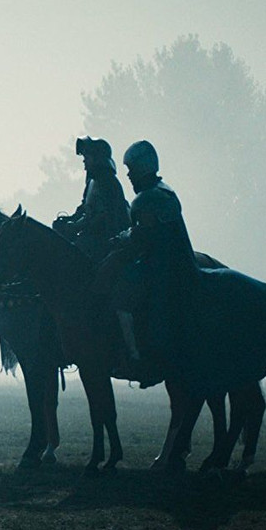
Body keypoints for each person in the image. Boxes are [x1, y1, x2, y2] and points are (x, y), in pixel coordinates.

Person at [101, 140, 197, 385]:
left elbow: (141, 237)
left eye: (131, 170)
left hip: (160, 267)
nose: (129, 176)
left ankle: (136, 358)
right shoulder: (164, 191)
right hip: (170, 263)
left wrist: (118, 240)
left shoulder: (146, 199)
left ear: (142, 168)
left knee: (121, 299)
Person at [52, 136, 130, 261]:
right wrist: (68, 220)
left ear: (97, 158)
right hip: (91, 237)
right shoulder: (92, 182)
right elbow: (84, 208)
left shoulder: (108, 182)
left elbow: (103, 217)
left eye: (86, 157)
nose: (84, 161)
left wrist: (76, 226)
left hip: (106, 242)